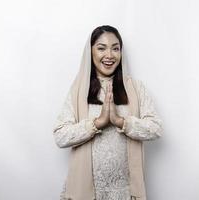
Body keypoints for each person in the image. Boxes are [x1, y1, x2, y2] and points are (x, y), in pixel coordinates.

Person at [52, 25, 163, 200]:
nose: (109, 55)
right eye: (101, 48)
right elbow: (60, 136)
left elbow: (156, 128)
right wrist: (98, 123)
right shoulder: (79, 90)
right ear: (91, 52)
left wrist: (120, 121)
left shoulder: (135, 88)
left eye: (115, 48)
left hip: (125, 192)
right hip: (86, 192)